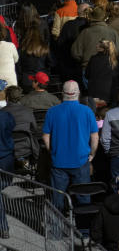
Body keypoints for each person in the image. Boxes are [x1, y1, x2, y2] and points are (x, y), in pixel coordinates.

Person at [42, 80, 98, 209]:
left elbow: (46, 136)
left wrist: (52, 151)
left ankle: (57, 228)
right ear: (78, 93)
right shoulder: (87, 111)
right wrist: (92, 154)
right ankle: (83, 228)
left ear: (62, 93)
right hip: (81, 160)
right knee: (83, 198)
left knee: (57, 199)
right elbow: (94, 137)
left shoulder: (52, 111)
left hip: (59, 161)